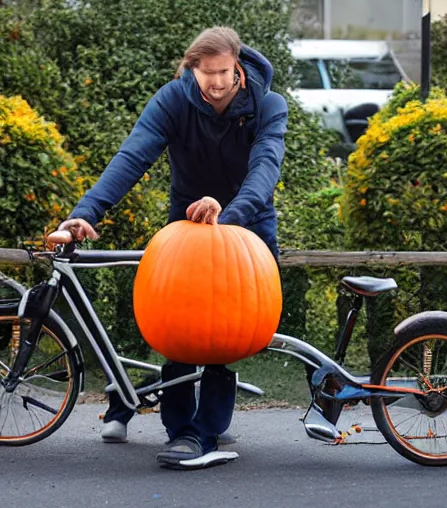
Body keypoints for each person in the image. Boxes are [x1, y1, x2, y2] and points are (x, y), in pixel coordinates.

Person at [48, 26, 288, 469]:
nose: (215, 82)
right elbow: (132, 156)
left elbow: (265, 166)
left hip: (246, 226)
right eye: (205, 73)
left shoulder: (267, 106)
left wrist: (228, 216)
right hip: (186, 226)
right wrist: (86, 212)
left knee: (226, 331)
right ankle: (180, 428)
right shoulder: (174, 100)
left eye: (222, 72)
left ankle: (204, 430)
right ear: (190, 69)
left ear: (237, 65)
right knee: (180, 329)